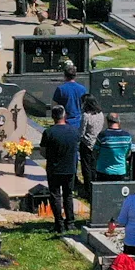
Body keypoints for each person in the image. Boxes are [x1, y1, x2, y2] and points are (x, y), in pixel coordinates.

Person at [40, 105, 81, 235]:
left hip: (54, 168)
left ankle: (59, 224)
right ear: (65, 116)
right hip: (70, 168)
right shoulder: (74, 131)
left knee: (55, 195)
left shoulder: (49, 132)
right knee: (68, 195)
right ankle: (70, 222)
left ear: (53, 117)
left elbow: (42, 151)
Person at [52, 64, 88, 129]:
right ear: (75, 75)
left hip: (64, 122)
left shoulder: (60, 89)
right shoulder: (82, 89)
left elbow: (54, 106)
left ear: (64, 75)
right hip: (79, 122)